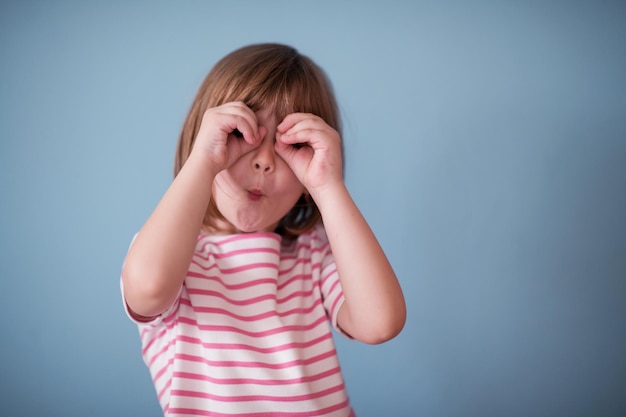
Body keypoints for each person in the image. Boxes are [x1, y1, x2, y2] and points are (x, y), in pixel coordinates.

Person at [121, 43, 406, 417]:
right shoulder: (176, 259)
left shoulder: (313, 256)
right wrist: (203, 161)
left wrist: (327, 187)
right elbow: (148, 288)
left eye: (292, 146)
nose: (265, 162)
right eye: (242, 135)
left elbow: (381, 323)